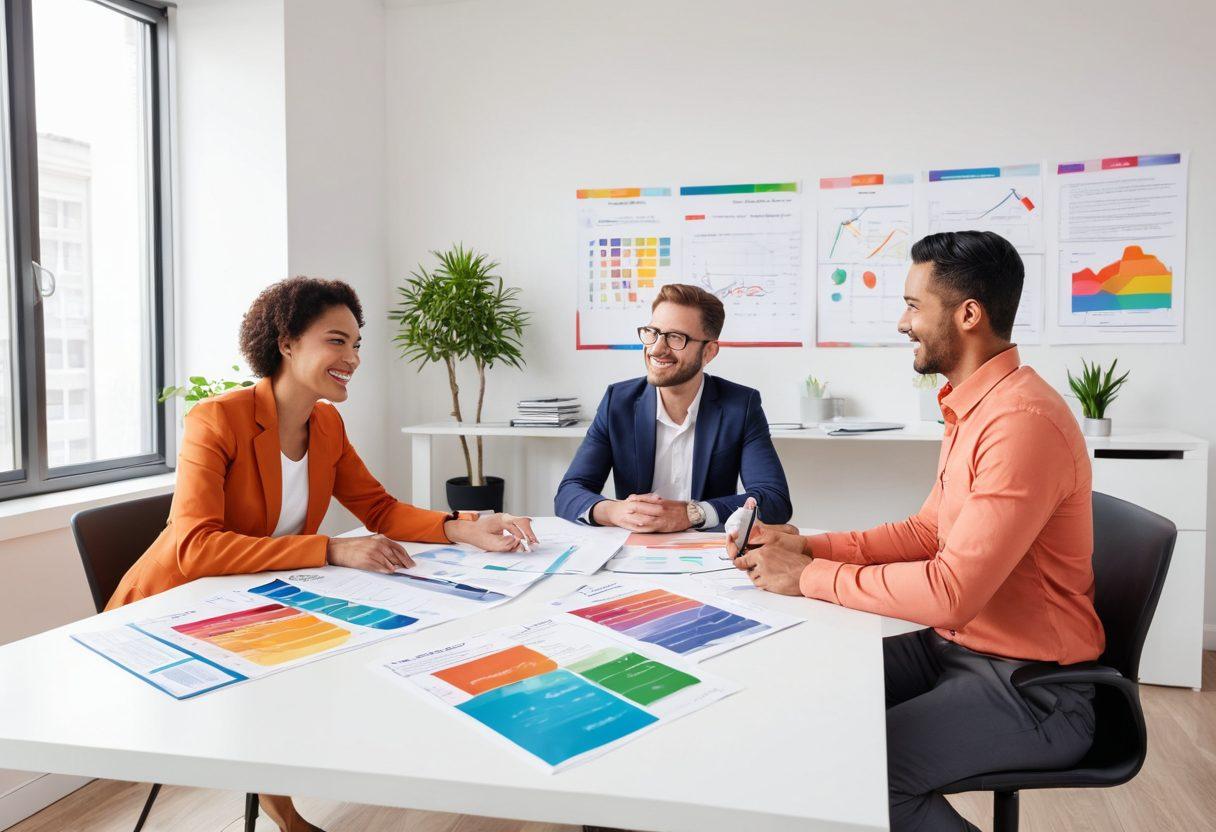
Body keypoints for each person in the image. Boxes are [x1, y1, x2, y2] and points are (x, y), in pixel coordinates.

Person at [108, 277, 537, 832]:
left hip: (252, 602)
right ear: (286, 343)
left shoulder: (326, 423)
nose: (353, 358)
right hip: (172, 611)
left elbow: (378, 508)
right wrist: (331, 548)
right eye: (337, 341)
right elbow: (194, 547)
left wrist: (464, 527)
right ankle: (287, 812)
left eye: (357, 344)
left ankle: (313, 794)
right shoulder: (217, 419)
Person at [728, 231, 1104, 832]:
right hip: (956, 650)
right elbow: (926, 531)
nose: (903, 322)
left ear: (968, 314)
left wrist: (810, 576)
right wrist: (805, 546)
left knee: (865, 772)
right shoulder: (974, 405)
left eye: (912, 305)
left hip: (1035, 690)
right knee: (808, 697)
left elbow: (951, 590)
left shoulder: (1021, 422)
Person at [555, 283, 791, 532]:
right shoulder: (619, 402)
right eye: (653, 332)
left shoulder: (740, 406)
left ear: (709, 352)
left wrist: (693, 514)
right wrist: (614, 511)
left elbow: (774, 500)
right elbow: (569, 493)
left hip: (707, 552)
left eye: (676, 337)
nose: (656, 349)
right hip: (633, 548)